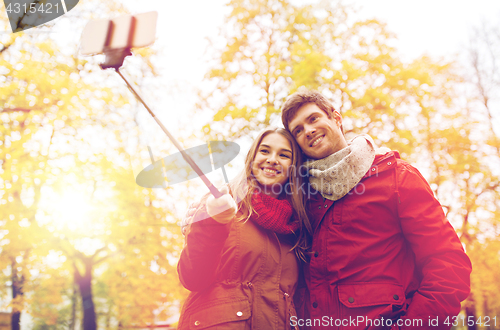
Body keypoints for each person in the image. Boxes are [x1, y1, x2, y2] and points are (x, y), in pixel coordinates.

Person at [281, 89, 472, 330]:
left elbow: (449, 265)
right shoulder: (303, 196)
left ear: (336, 118)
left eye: (313, 119)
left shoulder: (397, 177)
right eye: (298, 130)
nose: (308, 130)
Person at [176, 127, 312, 329]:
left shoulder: (297, 226)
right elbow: (192, 278)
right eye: (265, 151)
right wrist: (213, 222)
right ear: (252, 158)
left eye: (284, 155)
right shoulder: (221, 203)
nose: (273, 159)